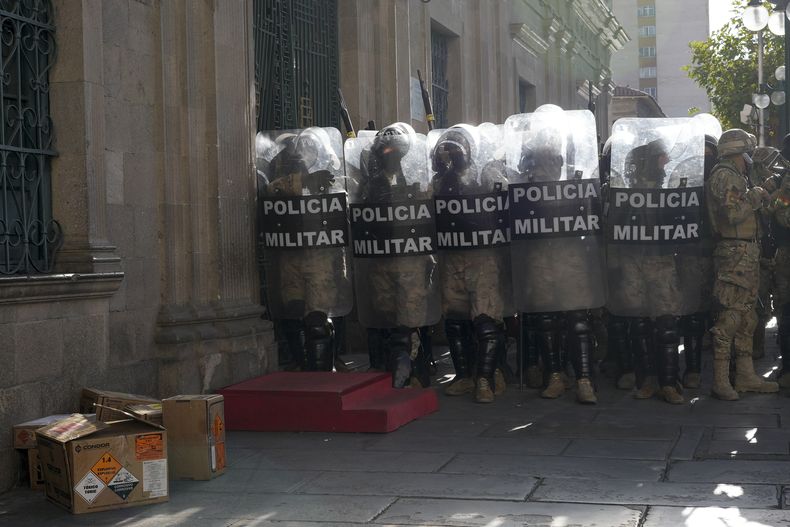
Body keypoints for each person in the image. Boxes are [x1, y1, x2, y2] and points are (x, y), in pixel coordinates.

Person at [505, 108, 604, 404]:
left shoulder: (578, 177)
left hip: (571, 256)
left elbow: (592, 217)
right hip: (539, 256)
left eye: (552, 157)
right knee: (546, 317)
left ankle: (584, 378)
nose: (547, 164)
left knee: (577, 318)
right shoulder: (524, 182)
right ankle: (555, 375)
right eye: (541, 158)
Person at [349, 123, 440, 388]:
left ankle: (412, 372)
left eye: (394, 150)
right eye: (385, 150)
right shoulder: (368, 184)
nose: (389, 154)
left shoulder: (416, 178)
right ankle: (390, 370)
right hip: (381, 262)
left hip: (411, 263)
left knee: (410, 319)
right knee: (386, 316)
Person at [257, 127, 353, 371]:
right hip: (291, 257)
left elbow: (344, 205)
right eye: (302, 148)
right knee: (292, 313)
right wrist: (302, 181)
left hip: (321, 259)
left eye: (311, 148)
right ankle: (300, 365)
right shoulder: (286, 179)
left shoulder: (333, 177)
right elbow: (271, 192)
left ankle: (321, 372)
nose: (305, 153)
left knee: (318, 317)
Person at [431, 124, 511, 403]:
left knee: (485, 319)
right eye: (448, 150)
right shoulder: (440, 181)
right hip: (451, 256)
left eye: (457, 150)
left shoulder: (486, 175)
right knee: (455, 320)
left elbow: (507, 200)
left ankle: (486, 378)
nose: (452, 155)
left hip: (482, 257)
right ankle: (464, 375)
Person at [705, 128, 779, 400]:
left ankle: (745, 376)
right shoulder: (725, 176)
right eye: (746, 153)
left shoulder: (735, 175)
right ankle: (720, 380)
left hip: (745, 252)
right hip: (734, 254)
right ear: (737, 153)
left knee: (747, 317)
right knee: (731, 317)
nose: (749, 159)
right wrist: (757, 193)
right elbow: (733, 214)